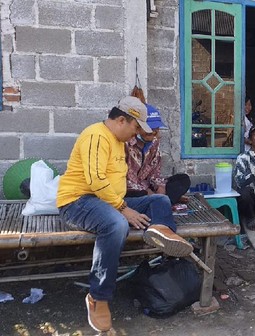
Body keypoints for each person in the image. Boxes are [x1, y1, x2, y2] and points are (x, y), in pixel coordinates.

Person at [56, 96, 193, 332]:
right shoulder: (96, 135)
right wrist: (124, 209)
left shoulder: (118, 141)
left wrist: (125, 204)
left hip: (107, 202)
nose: (136, 134)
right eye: (136, 127)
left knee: (159, 200)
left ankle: (162, 231)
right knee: (117, 225)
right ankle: (98, 297)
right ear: (122, 120)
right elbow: (95, 180)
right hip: (78, 202)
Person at [125, 104, 191, 205]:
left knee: (183, 179)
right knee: (136, 193)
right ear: (138, 127)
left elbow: (155, 173)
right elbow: (128, 180)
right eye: (150, 128)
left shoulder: (154, 142)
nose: (154, 131)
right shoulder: (127, 144)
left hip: (147, 185)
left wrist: (160, 187)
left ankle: (164, 200)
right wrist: (148, 192)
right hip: (131, 188)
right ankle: (166, 201)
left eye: (157, 128)